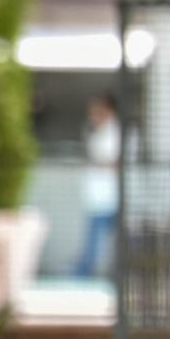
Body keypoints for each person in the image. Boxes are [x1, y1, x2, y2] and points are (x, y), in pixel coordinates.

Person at [74, 93, 120, 277]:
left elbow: (114, 162)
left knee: (96, 242)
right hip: (98, 197)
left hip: (109, 197)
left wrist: (96, 161)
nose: (93, 114)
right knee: (96, 240)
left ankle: (83, 274)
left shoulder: (114, 132)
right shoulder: (97, 131)